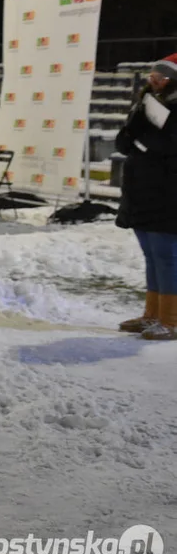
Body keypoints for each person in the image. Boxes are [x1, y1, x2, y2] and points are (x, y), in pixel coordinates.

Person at [115, 54, 177, 340]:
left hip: (167, 193)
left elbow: (166, 146)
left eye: (161, 77)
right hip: (141, 191)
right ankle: (152, 315)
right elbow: (127, 141)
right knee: (151, 256)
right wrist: (131, 134)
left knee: (166, 257)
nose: (154, 80)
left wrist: (143, 143)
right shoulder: (145, 102)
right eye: (153, 75)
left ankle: (171, 320)